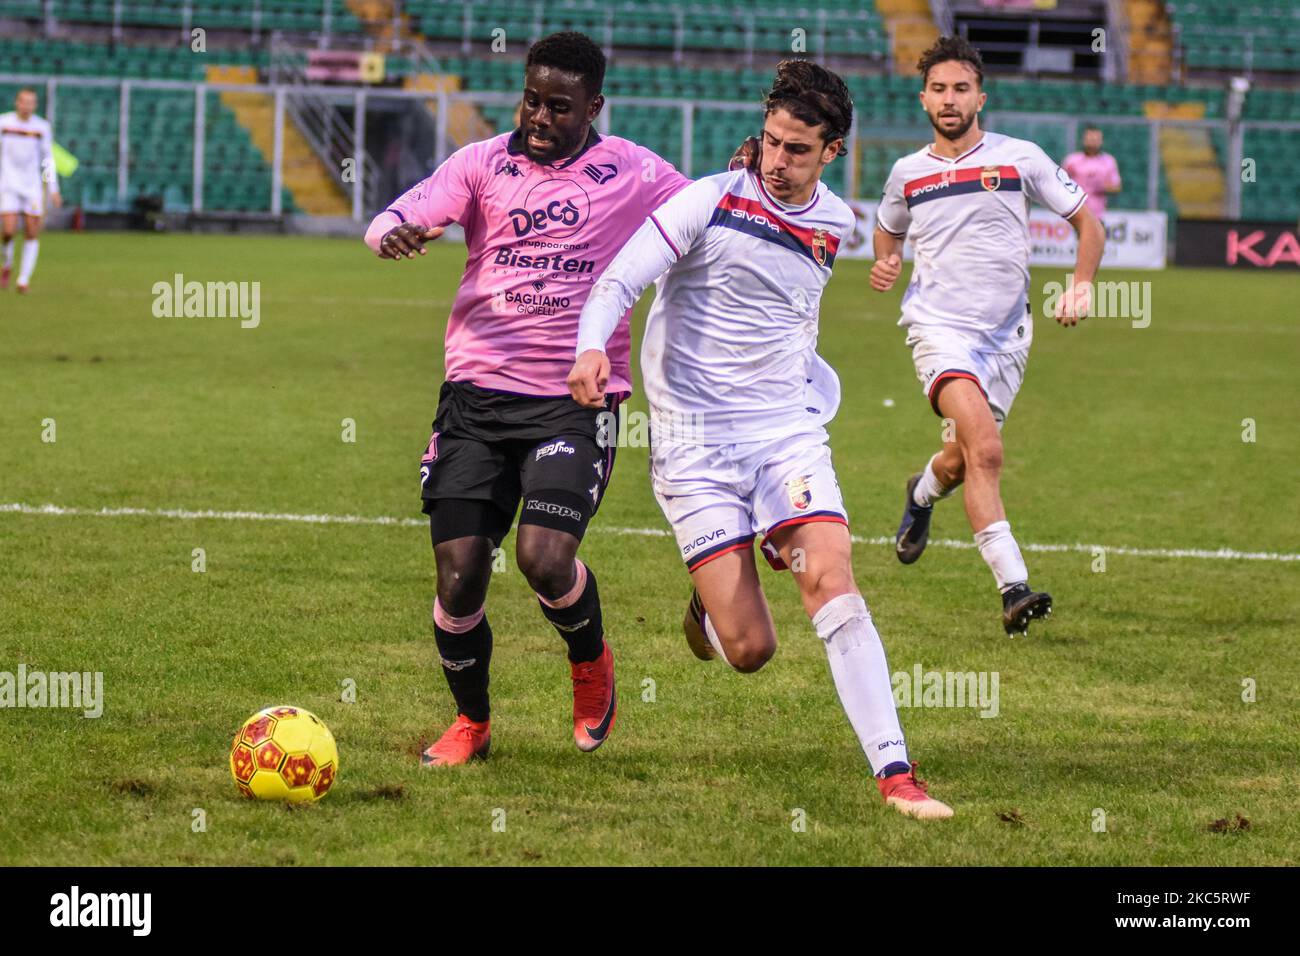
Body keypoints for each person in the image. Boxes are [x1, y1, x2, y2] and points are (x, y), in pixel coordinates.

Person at [569, 59, 953, 820]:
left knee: (833, 583)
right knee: (750, 650)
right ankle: (708, 605)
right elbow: (618, 282)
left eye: (799, 150)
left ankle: (897, 774)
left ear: (833, 151)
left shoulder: (835, 224)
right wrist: (588, 347)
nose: (780, 161)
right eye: (772, 143)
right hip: (693, 447)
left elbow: (788, 322)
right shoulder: (705, 201)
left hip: (785, 438)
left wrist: (813, 393)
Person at [363, 32, 694, 766]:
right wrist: (394, 233)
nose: (540, 117)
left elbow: (705, 213)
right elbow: (398, 213)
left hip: (572, 399)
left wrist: (749, 178)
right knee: (459, 575)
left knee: (545, 558)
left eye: (559, 106)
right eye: (532, 100)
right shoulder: (481, 162)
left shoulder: (633, 170)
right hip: (475, 400)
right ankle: (471, 724)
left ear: (593, 107)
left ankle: (591, 666)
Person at [871, 36, 1105, 636]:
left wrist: (1081, 286)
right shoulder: (907, 174)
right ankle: (1013, 587)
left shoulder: (1020, 157)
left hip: (1008, 338)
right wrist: (887, 261)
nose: (950, 100)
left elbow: (1088, 224)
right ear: (923, 98)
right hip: (938, 330)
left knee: (960, 459)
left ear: (981, 95)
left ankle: (921, 494)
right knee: (989, 452)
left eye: (961, 89)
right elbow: (886, 232)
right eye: (939, 90)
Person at [0, 87, 61, 294]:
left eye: (31, 102)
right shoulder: (4, 123)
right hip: (7, 184)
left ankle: (23, 280)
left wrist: (52, 187)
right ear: (17, 103)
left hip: (32, 186)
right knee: (8, 230)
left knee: (31, 230)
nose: (26, 105)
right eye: (23, 101)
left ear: (35, 105)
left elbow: (47, 159)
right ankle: (7, 262)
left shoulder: (42, 127)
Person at [1063, 125, 1122, 220]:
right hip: (1076, 213)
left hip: (1098, 214)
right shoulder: (1072, 160)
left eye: (1095, 140)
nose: (1092, 143)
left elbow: (1117, 187)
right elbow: (1060, 183)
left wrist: (1102, 187)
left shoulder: (1108, 161)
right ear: (1083, 140)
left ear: (1101, 141)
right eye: (1090, 139)